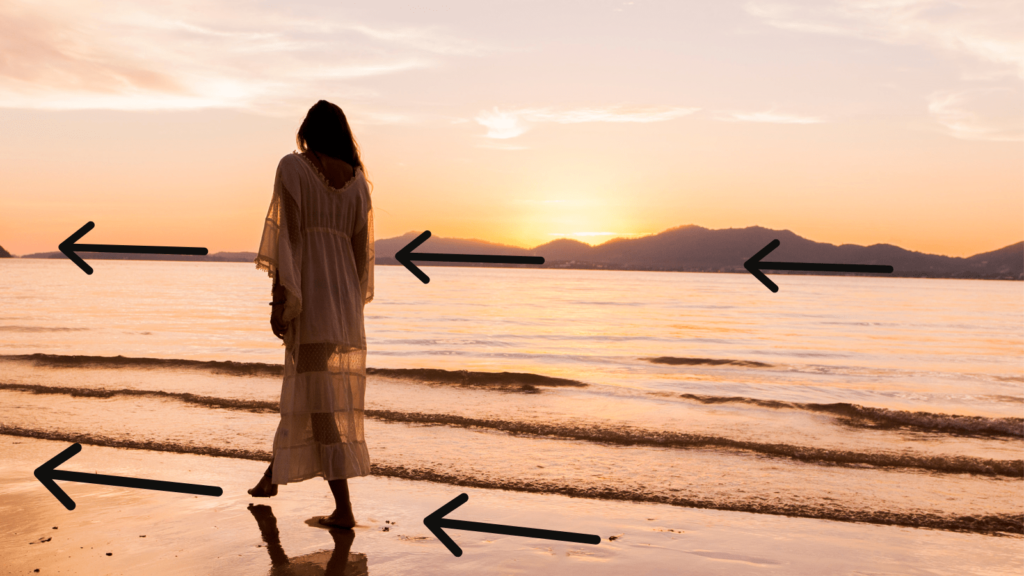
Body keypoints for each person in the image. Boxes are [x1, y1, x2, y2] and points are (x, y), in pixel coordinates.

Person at [249, 100, 374, 530]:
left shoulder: (293, 168)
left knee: (319, 404)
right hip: (342, 305)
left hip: (313, 299)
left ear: (307, 130)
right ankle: (272, 476)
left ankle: (343, 508)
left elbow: (289, 239)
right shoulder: (360, 185)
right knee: (312, 396)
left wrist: (281, 299)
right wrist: (349, 305)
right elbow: (361, 261)